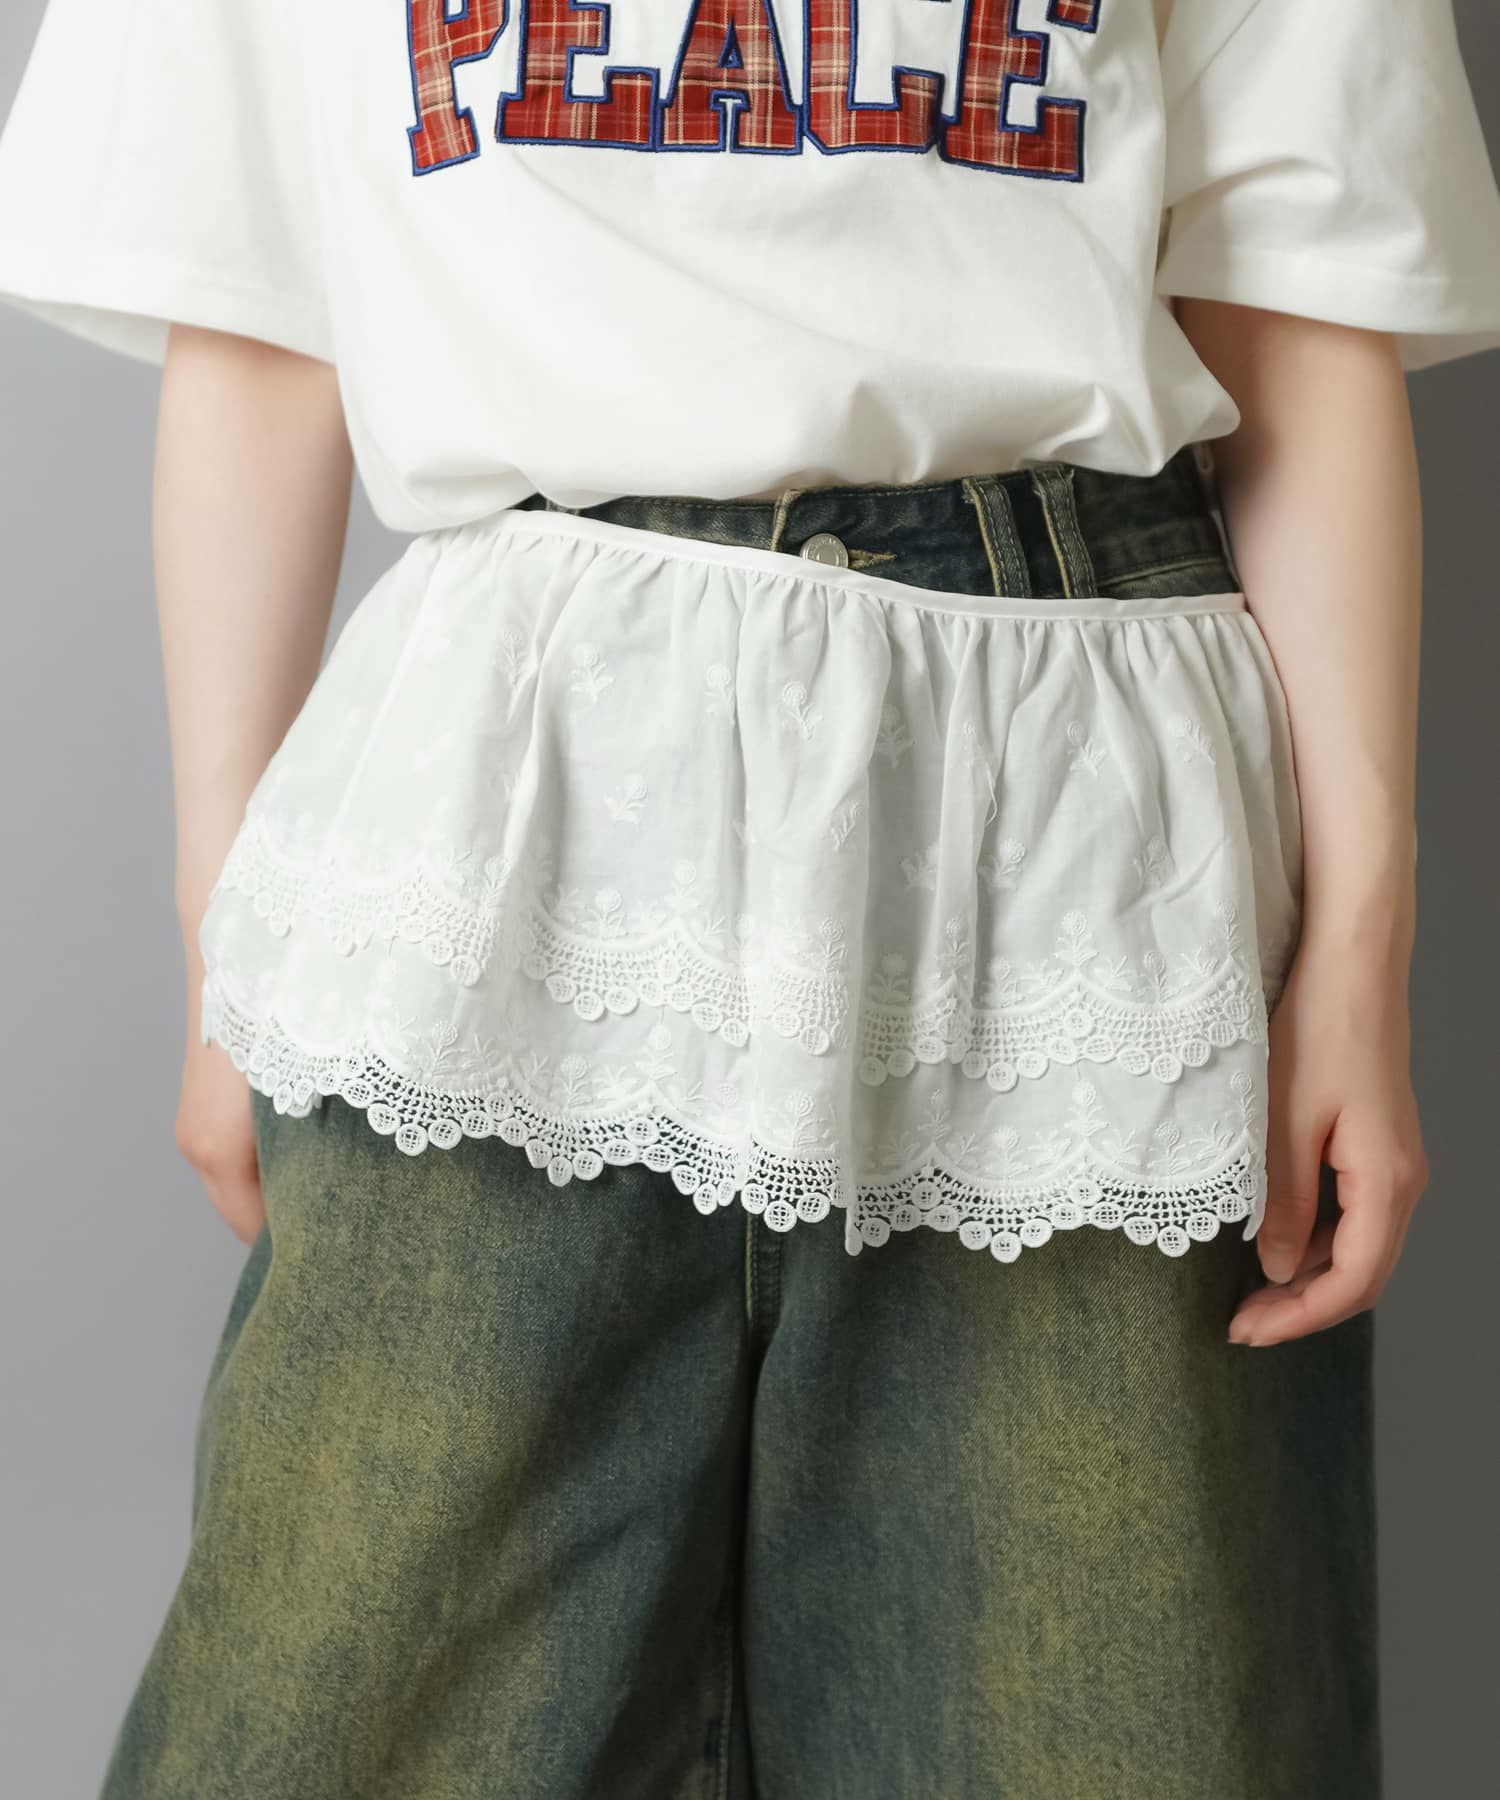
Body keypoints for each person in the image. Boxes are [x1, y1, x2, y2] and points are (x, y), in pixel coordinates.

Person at [2, 0, 1498, 1794]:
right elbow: (258, 320)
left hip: (1076, 858)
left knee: (1122, 1732)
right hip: (515, 825)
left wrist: (1359, 947)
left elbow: (1295, 310)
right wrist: (222, 942)